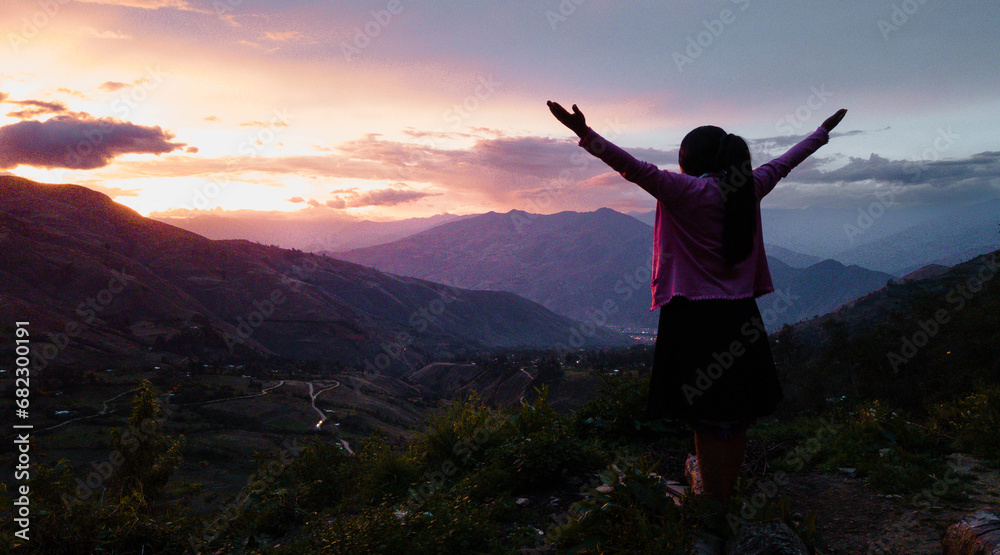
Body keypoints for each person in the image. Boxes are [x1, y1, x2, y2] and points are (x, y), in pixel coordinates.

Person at [547, 100, 847, 504]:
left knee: (705, 417)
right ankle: (727, 493)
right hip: (740, 314)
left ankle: (713, 501)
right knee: (736, 413)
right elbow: (785, 161)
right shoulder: (749, 187)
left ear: (688, 162)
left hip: (692, 316)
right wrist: (821, 133)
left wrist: (584, 133)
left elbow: (632, 166)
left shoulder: (681, 190)